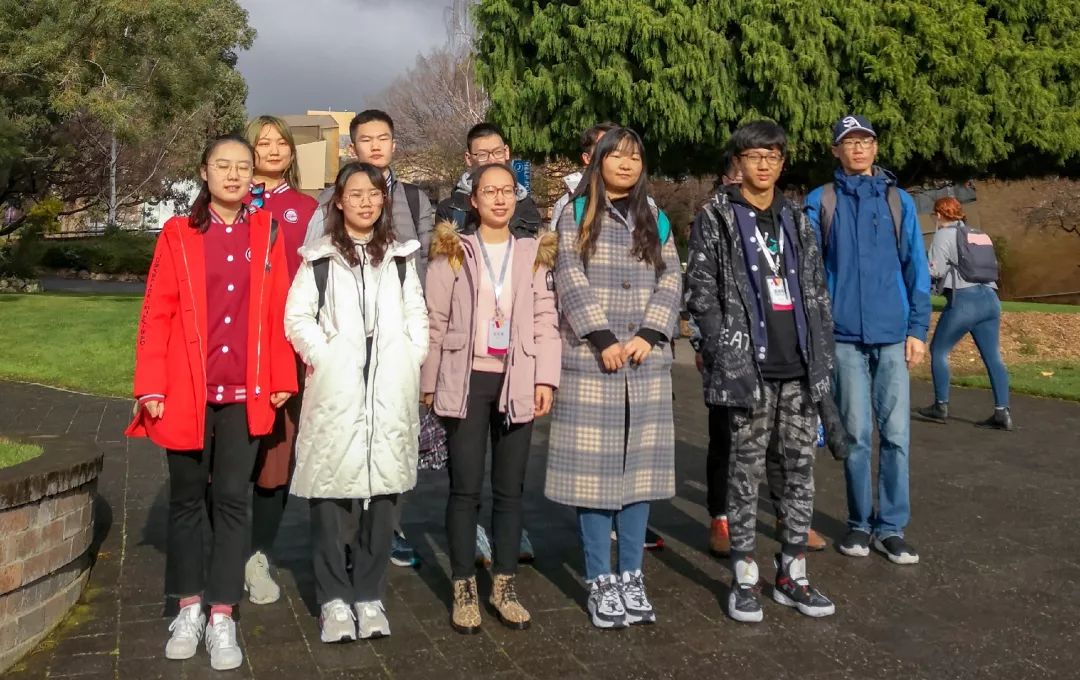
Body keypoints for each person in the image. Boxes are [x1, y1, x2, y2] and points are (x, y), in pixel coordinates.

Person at [125, 135, 297, 671]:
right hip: (186, 391)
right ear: (204, 171)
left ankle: (223, 611)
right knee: (185, 501)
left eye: (243, 167)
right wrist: (151, 385)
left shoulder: (266, 232)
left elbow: (279, 307)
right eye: (223, 165)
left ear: (253, 176)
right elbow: (156, 311)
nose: (233, 174)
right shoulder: (178, 233)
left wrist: (281, 374)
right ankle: (188, 606)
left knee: (231, 501)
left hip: (245, 392)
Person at [687, 121, 838, 623]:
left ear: (782, 163)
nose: (765, 164)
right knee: (744, 474)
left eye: (773, 156)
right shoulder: (716, 216)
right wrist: (722, 350)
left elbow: (815, 291)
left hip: (798, 368)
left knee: (799, 472)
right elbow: (700, 292)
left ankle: (793, 573)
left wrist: (821, 356)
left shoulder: (796, 218)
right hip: (746, 370)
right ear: (739, 162)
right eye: (755, 155)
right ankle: (745, 576)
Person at [284, 161, 428, 643]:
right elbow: (297, 317)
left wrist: (411, 355)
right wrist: (324, 356)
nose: (366, 202)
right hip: (337, 392)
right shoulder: (320, 258)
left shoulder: (401, 257)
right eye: (356, 194)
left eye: (374, 193)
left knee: (384, 496)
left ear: (384, 200)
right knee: (329, 495)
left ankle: (368, 594)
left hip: (389, 391)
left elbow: (417, 315)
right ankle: (333, 599)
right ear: (339, 201)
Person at [546, 127, 682, 629]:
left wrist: (650, 332)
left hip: (645, 363)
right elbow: (567, 275)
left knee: (639, 476)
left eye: (635, 157)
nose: (626, 164)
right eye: (617, 155)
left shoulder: (655, 217)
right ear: (597, 160)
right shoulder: (577, 213)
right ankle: (600, 579)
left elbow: (672, 277)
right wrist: (601, 336)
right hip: (591, 360)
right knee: (594, 477)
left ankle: (632, 575)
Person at [421, 162, 560, 634]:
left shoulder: (532, 253)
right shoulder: (452, 251)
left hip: (518, 377)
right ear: (473, 200)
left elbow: (546, 320)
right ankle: (463, 585)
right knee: (464, 489)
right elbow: (435, 320)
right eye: (489, 191)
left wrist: (546, 379)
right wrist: (428, 383)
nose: (499, 199)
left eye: (507, 191)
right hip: (466, 380)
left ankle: (505, 584)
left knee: (510, 490)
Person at [304, 109, 434, 567]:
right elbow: (311, 267)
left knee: (392, 438)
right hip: (344, 345)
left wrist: (416, 344)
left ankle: (389, 529)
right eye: (366, 139)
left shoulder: (415, 199)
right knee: (345, 440)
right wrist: (322, 349)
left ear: (394, 144)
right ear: (351, 147)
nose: (376, 146)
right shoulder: (329, 200)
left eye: (384, 138)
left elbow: (427, 266)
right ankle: (344, 537)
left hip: (395, 341)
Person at [804, 114, 931, 565]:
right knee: (856, 434)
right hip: (843, 337)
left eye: (865, 140)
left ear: (876, 148)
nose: (857, 148)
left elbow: (916, 267)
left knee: (896, 435)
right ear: (835, 150)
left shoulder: (898, 201)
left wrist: (917, 330)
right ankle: (859, 522)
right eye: (849, 141)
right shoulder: (821, 200)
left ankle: (891, 527)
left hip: (893, 334)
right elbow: (808, 273)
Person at [242, 115, 319, 605]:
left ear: (291, 152)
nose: (272, 150)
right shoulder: (227, 203)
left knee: (276, 457)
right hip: (233, 350)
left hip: (285, 351)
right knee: (228, 456)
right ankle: (224, 549)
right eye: (262, 142)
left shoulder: (308, 209)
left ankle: (258, 554)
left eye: (280, 143)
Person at [917, 197, 1012, 430]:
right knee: (993, 357)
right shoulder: (980, 234)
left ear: (939, 215)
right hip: (991, 299)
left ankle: (940, 406)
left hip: (964, 301)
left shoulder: (943, 235)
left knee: (939, 350)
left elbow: (935, 270)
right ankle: (1002, 412)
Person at [435, 122, 542, 236]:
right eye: (482, 155)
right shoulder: (451, 209)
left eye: (497, 152)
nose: (492, 160)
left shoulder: (526, 205)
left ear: (506, 152)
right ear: (469, 159)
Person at [548, 122, 618, 232]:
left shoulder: (643, 204)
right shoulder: (569, 205)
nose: (614, 156)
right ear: (587, 158)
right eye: (603, 149)